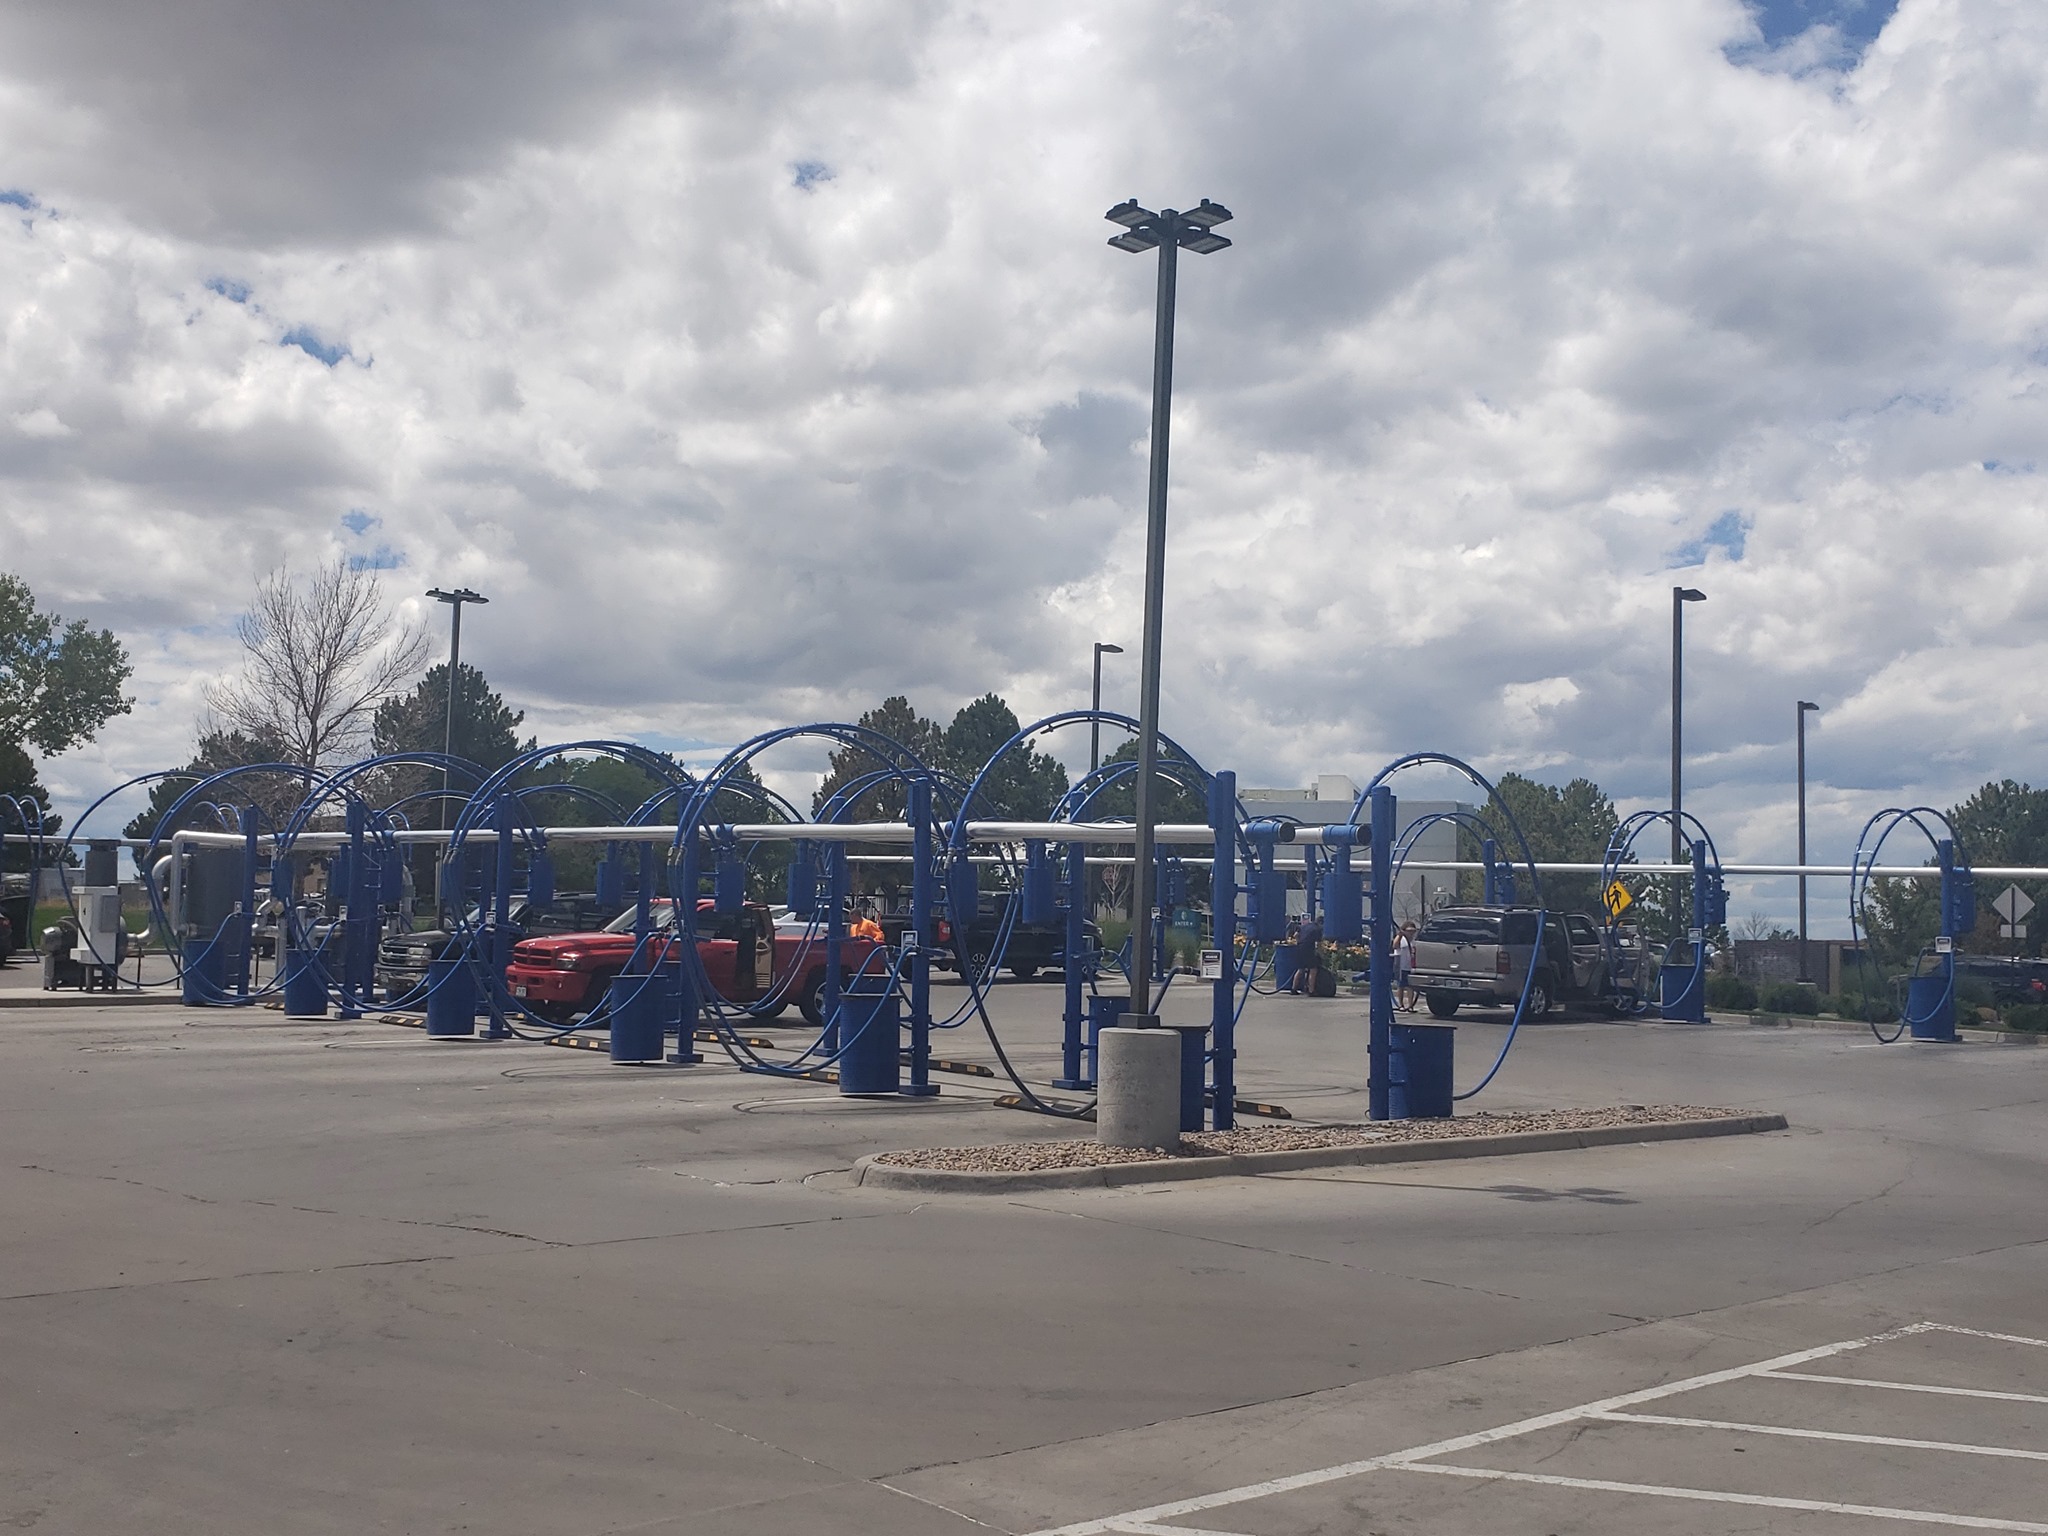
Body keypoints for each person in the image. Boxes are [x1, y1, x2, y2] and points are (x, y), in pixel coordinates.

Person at [1290, 915, 1323, 994]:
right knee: (1313, 969)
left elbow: (1295, 935)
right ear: (1321, 923)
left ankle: (1293, 989)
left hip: (1299, 948)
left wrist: (1299, 942)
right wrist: (1320, 953)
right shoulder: (1317, 929)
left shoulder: (1305, 926)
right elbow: (1318, 943)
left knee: (1300, 969)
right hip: (1308, 949)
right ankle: (1311, 991)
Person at [1395, 921, 1419, 1011]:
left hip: (1410, 966)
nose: (1411, 933)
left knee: (1410, 986)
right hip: (1401, 965)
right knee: (1401, 986)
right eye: (1409, 931)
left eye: (1413, 931)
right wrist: (1400, 935)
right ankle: (1400, 1004)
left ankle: (1410, 1005)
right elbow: (1395, 946)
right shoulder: (1401, 939)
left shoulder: (1414, 941)